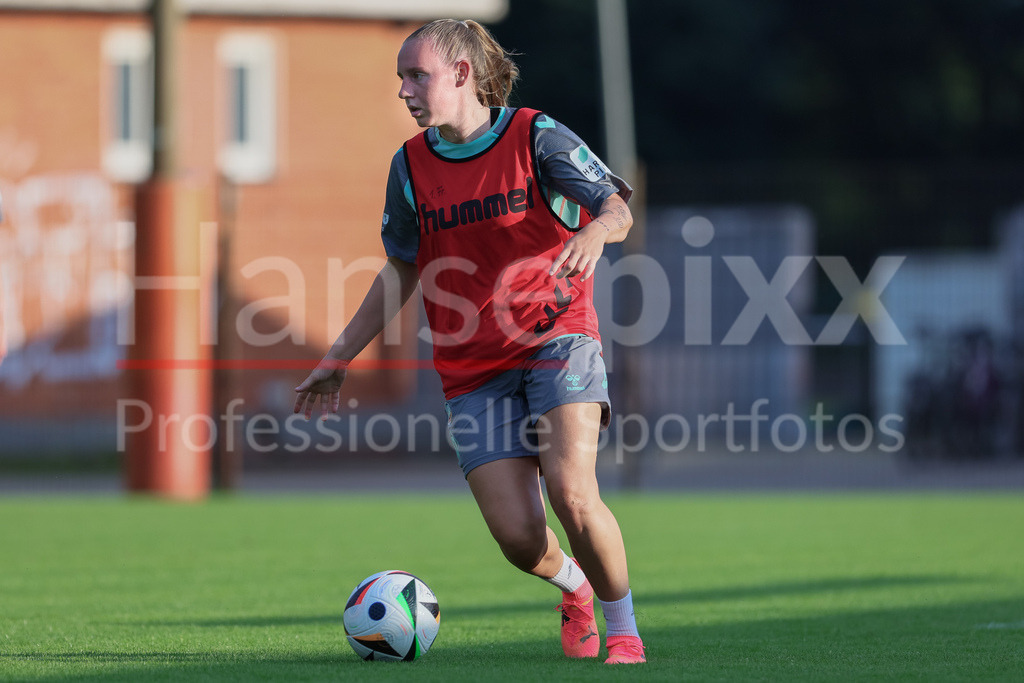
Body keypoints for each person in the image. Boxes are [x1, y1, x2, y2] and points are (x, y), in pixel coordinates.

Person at [293, 18, 645, 665]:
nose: (404, 90)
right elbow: (401, 267)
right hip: (473, 369)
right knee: (517, 537)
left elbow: (615, 207)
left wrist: (596, 231)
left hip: (557, 339)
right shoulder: (410, 166)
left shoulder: (534, 136)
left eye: (415, 74)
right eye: (400, 78)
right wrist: (340, 356)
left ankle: (623, 629)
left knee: (572, 491)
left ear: (461, 74)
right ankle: (575, 587)